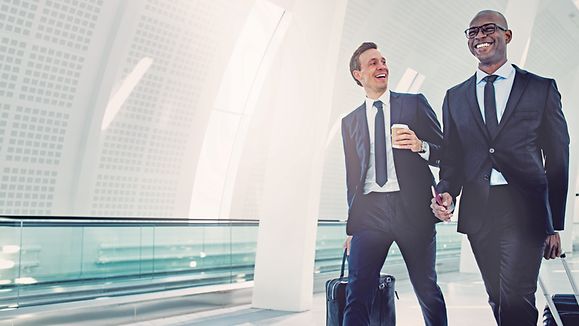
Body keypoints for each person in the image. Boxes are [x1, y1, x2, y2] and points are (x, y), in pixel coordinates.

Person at [431, 10, 569, 326]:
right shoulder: (455, 97)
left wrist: (554, 223)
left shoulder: (541, 88)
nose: (480, 36)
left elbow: (558, 158)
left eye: (488, 29)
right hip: (480, 210)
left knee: (516, 295)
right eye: (472, 32)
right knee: (497, 296)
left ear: (506, 35)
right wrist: (446, 192)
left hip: (526, 209)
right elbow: (452, 159)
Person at [341, 42, 447, 326]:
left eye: (383, 61)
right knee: (357, 293)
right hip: (369, 214)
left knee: (426, 288)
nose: (382, 66)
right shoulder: (349, 122)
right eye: (373, 63)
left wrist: (421, 145)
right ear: (358, 74)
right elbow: (353, 177)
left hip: (411, 210)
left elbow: (446, 152)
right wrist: (352, 227)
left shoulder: (414, 104)